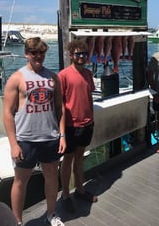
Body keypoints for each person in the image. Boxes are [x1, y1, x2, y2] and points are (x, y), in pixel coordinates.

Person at [3, 37, 66, 226]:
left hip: (50, 137)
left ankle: (51, 214)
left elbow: (59, 108)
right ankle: (17, 221)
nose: (38, 56)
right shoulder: (16, 78)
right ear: (26, 54)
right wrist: (14, 144)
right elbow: (7, 113)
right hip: (26, 139)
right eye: (34, 52)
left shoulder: (53, 78)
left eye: (41, 53)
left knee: (52, 177)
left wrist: (62, 135)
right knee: (20, 182)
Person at [58, 39, 98, 210]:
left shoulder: (88, 73)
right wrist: (60, 132)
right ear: (71, 55)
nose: (81, 56)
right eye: (78, 54)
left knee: (80, 157)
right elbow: (59, 103)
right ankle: (65, 193)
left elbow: (89, 94)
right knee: (67, 159)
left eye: (84, 54)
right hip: (70, 125)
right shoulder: (63, 75)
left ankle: (80, 189)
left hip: (88, 123)